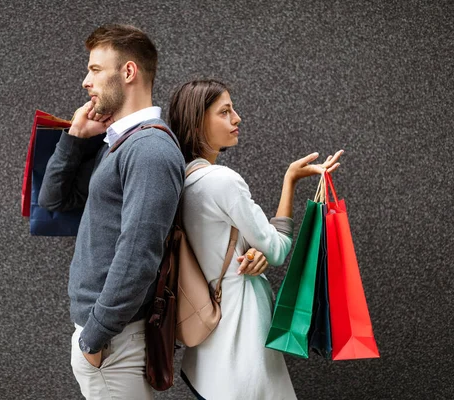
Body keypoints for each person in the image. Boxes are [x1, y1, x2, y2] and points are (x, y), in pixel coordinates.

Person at [168, 79, 343, 400]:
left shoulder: (183, 182)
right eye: (225, 112)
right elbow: (276, 250)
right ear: (198, 122)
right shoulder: (223, 181)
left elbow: (216, 245)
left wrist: (249, 251)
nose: (237, 118)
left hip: (210, 338)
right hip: (242, 333)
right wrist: (290, 181)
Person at [38, 25, 185, 399]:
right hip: (106, 339)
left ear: (129, 72)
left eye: (95, 70)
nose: (86, 81)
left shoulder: (149, 149)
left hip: (113, 343)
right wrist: (73, 138)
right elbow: (53, 201)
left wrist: (94, 339)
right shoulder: (121, 145)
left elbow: (139, 255)